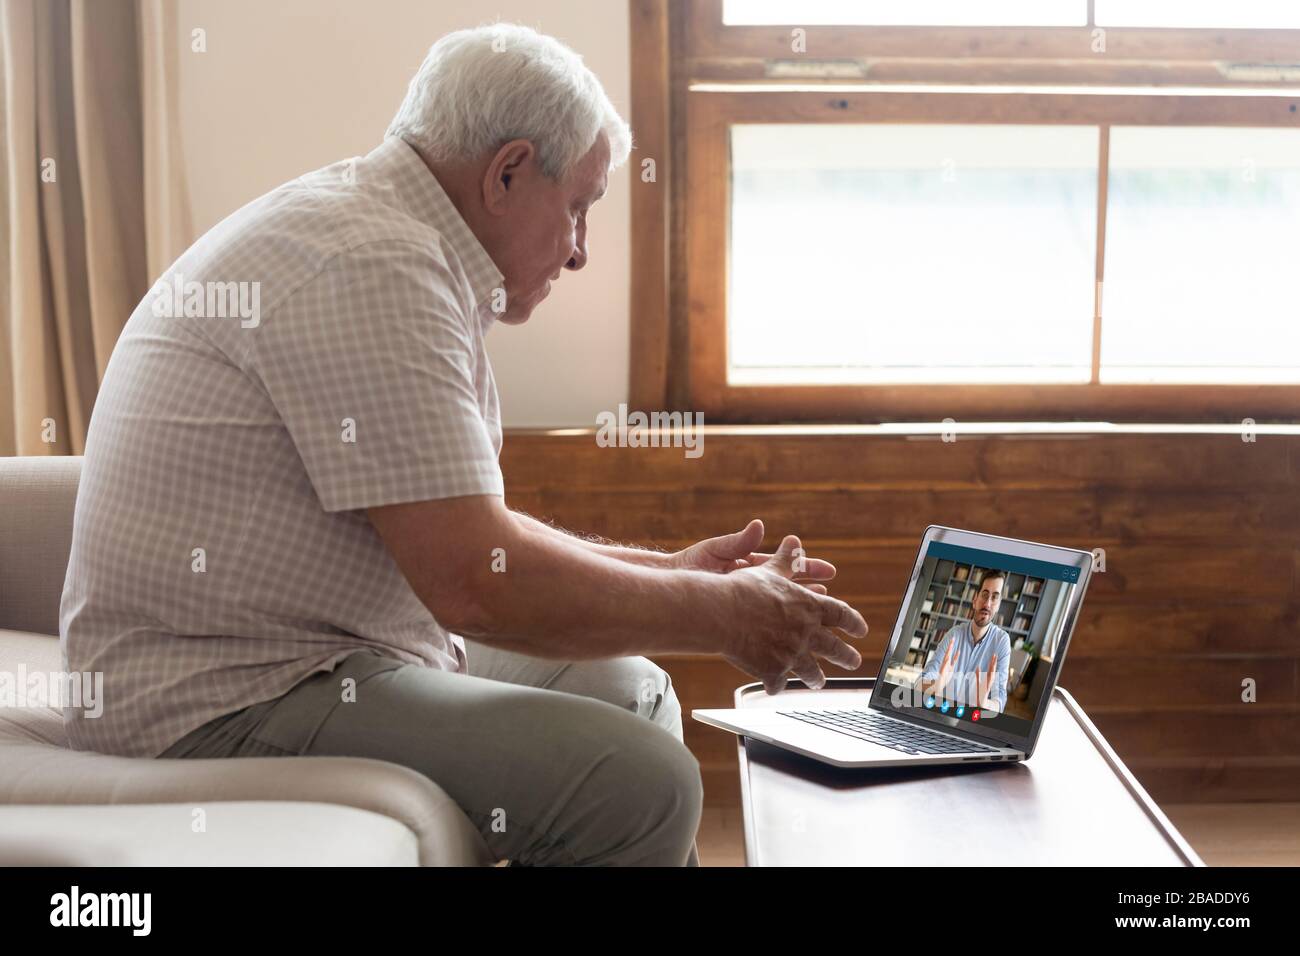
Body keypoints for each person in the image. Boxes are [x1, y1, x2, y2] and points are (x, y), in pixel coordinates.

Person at [59, 23, 866, 867]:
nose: (582, 249)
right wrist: (727, 615)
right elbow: (477, 586)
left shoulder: (386, 237)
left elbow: (481, 536)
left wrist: (673, 574)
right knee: (644, 781)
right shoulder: (373, 267)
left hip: (313, 648)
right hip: (219, 699)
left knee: (632, 692)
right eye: (580, 206)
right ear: (508, 171)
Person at [919, 569, 1011, 714]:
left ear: (998, 605)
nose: (987, 603)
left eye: (994, 598)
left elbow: (999, 699)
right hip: (942, 715)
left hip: (971, 723)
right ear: (975, 600)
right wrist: (938, 684)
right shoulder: (953, 634)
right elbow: (921, 683)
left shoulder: (1002, 641)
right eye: (985, 595)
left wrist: (985, 703)